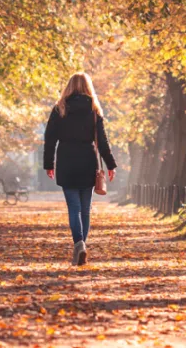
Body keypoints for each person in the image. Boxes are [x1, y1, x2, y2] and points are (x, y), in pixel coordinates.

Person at [43, 72, 116, 266]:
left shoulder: (60, 108)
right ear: (87, 87)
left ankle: (79, 244)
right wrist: (111, 164)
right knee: (85, 209)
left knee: (74, 208)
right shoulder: (93, 110)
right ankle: (83, 245)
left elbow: (50, 139)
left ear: (69, 86)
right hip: (87, 160)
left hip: (67, 161)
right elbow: (102, 141)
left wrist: (48, 164)